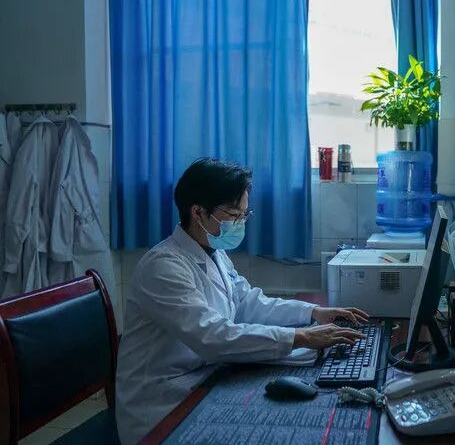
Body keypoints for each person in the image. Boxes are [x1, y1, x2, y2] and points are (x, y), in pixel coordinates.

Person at [115, 158, 368, 444]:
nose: (240, 223)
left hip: (206, 378)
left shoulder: (213, 252)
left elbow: (248, 303)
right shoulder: (162, 267)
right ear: (198, 212)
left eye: (244, 215)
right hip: (162, 403)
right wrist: (302, 337)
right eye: (234, 215)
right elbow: (213, 336)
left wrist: (314, 312)